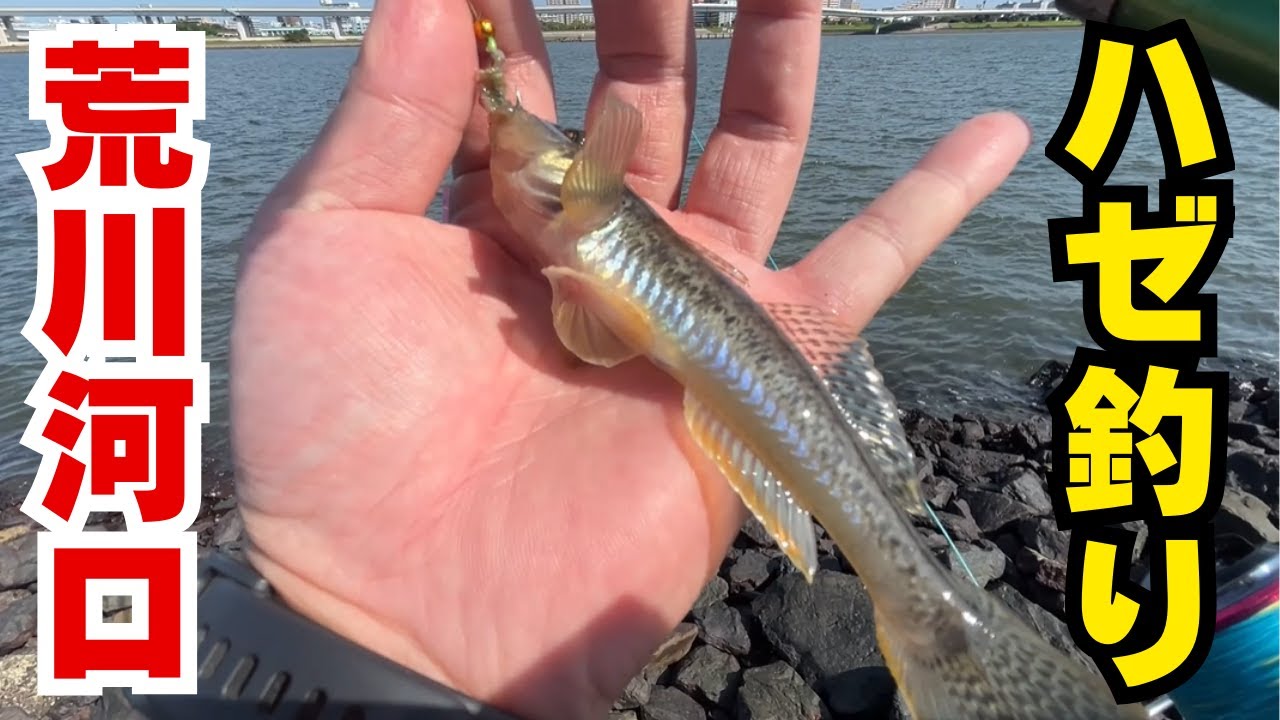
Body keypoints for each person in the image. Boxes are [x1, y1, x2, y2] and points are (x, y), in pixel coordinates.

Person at [227, 1, 1031, 719]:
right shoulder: (568, 224)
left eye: (574, 145)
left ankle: (928, 614)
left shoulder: (586, 192)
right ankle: (930, 609)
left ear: (584, 170)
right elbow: (589, 329)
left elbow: (597, 189)